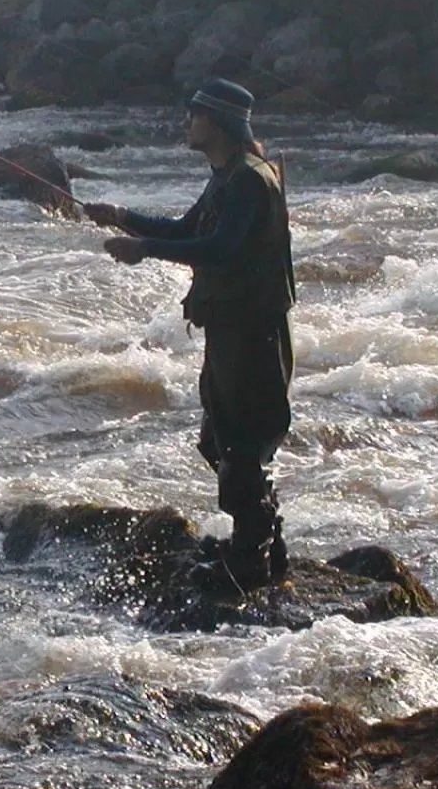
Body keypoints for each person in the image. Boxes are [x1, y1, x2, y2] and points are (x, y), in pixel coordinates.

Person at [84, 77, 297, 592]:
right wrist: (125, 218)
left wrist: (144, 250)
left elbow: (222, 249)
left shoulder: (248, 179)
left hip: (253, 332)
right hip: (233, 328)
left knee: (238, 443)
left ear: (217, 123)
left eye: (194, 115)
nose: (187, 123)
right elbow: (191, 228)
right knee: (219, 439)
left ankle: (251, 559)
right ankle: (265, 539)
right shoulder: (228, 174)